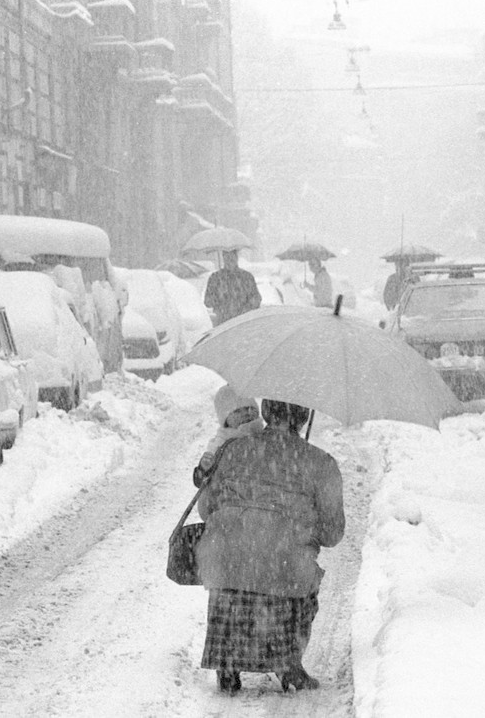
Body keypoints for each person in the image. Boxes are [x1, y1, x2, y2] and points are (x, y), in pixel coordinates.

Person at [197, 399, 345, 695]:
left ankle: (227, 659)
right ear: (303, 419)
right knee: (292, 573)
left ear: (265, 413)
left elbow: (206, 508)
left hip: (224, 560)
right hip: (285, 566)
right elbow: (332, 533)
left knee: (233, 565)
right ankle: (287, 661)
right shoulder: (320, 463)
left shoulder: (233, 450)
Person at [194, 385, 262, 482]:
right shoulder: (220, 444)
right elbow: (202, 483)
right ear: (225, 419)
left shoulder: (265, 436)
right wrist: (204, 469)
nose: (246, 413)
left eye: (249, 408)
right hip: (232, 491)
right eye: (237, 411)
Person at [203, 249, 261, 326]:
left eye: (232, 258)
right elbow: (208, 302)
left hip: (244, 322)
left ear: (236, 258)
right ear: (223, 258)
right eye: (227, 258)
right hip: (223, 324)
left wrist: (245, 309)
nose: (229, 261)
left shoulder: (246, 277)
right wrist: (220, 301)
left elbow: (256, 299)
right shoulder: (215, 278)